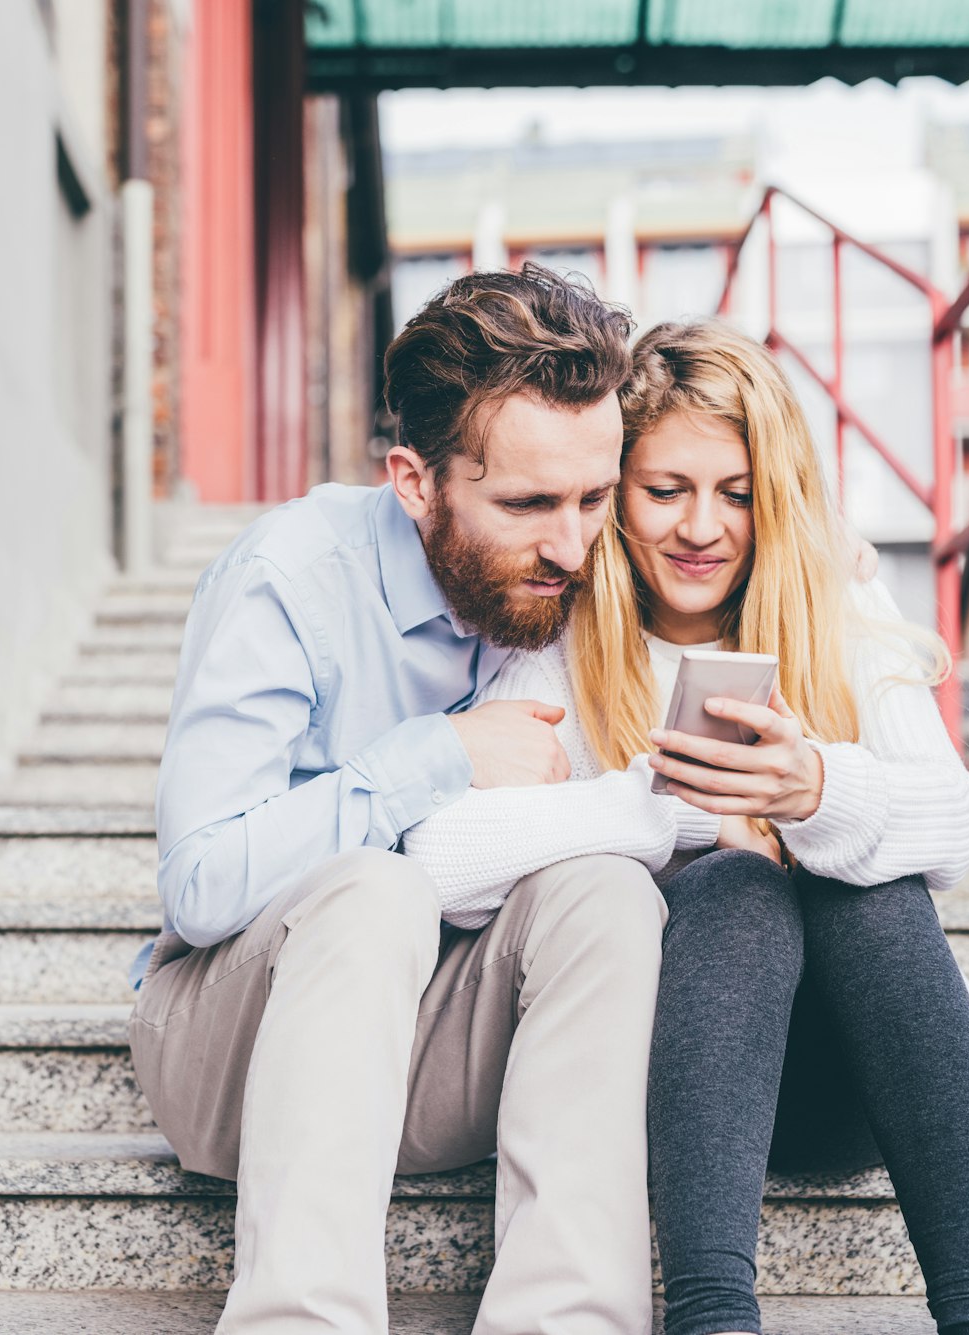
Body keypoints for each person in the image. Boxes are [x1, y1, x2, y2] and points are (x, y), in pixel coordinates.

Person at [403, 319, 969, 1335]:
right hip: (661, 1083)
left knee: (870, 893)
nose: (702, 527)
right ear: (613, 499)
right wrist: (669, 808)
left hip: (835, 1091)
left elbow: (953, 827)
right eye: (665, 491)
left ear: (772, 497)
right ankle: (711, 1317)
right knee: (733, 890)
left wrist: (810, 789)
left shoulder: (834, 608)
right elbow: (442, 859)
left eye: (735, 493)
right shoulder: (558, 642)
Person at [129, 264, 679, 1334]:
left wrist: (835, 572)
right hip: (230, 1050)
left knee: (606, 893)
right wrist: (434, 757)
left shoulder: (576, 567)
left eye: (593, 498)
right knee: (374, 891)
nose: (570, 546)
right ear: (413, 482)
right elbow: (199, 885)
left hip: (432, 1041)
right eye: (526, 505)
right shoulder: (289, 576)